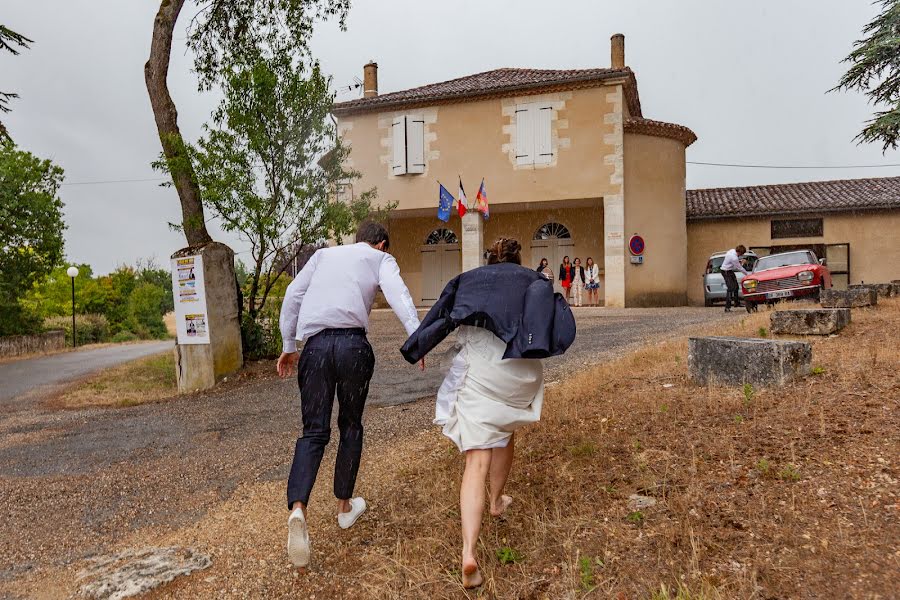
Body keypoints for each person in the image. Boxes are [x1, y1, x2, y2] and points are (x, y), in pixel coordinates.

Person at [401, 238, 576, 589]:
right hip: (520, 375)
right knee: (506, 429)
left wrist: (417, 346)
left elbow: (441, 316)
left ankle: (469, 553)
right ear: (517, 258)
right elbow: (554, 326)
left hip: (482, 371)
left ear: (488, 260)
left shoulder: (469, 279)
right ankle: (497, 501)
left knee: (476, 461)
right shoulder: (534, 279)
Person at [276, 221, 423, 568]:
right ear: (382, 244)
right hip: (353, 347)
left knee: (313, 432)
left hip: (314, 348)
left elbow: (292, 295)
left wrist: (288, 345)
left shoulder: (323, 255)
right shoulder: (379, 259)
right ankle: (344, 507)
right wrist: (416, 337)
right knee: (350, 425)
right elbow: (399, 293)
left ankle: (298, 508)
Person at [720, 244, 750, 312]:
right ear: (739, 252)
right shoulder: (734, 258)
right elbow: (739, 268)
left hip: (729, 271)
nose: (741, 255)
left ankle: (736, 303)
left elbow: (732, 262)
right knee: (730, 288)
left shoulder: (732, 250)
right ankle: (727, 307)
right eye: (742, 254)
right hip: (726, 272)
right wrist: (747, 275)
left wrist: (739, 261)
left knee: (736, 286)